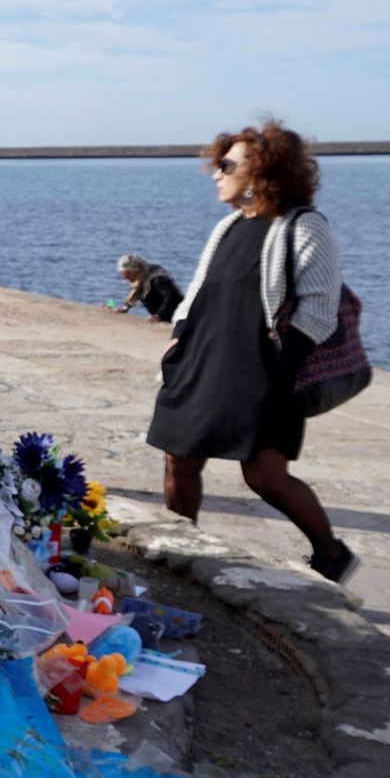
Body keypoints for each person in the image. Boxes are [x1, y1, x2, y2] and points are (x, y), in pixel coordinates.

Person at [146, 119, 356, 582]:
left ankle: (332, 554)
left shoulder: (303, 227)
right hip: (202, 363)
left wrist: (280, 376)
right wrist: (177, 345)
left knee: (264, 475)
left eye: (227, 165)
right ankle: (184, 551)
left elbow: (320, 310)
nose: (216, 174)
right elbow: (199, 293)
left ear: (260, 174)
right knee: (178, 457)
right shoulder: (227, 227)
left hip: (266, 373)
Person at [107, 254, 182, 322]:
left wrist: (158, 315)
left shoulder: (157, 279)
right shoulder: (140, 278)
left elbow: (172, 296)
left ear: (136, 270)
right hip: (167, 318)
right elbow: (135, 293)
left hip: (181, 317)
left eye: (128, 273)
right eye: (122, 273)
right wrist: (124, 308)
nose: (124, 277)